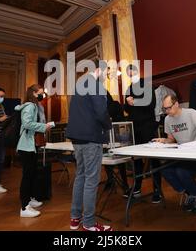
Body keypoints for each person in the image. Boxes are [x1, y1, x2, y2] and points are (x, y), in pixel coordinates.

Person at [153, 94, 196, 215]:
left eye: (169, 108)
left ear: (177, 104)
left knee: (181, 171)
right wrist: (163, 140)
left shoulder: (191, 113)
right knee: (165, 169)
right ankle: (191, 193)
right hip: (183, 156)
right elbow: (171, 139)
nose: (167, 111)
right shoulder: (168, 119)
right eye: (165, 109)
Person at [66, 59, 113, 231]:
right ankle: (89, 223)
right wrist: (109, 126)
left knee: (81, 176)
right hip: (91, 138)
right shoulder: (95, 84)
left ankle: (75, 218)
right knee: (92, 180)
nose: (107, 75)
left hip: (76, 138)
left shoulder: (79, 84)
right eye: (106, 72)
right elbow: (101, 112)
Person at [124, 64, 162, 203]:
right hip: (134, 126)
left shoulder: (146, 84)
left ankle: (157, 190)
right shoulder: (128, 88)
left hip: (147, 125)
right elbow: (127, 109)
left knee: (153, 158)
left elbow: (151, 104)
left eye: (131, 71)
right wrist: (128, 103)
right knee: (137, 159)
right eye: (128, 72)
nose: (130, 74)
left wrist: (135, 101)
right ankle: (137, 187)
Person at [15, 84, 53, 218]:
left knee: (32, 173)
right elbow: (26, 123)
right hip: (26, 145)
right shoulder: (30, 106)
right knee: (27, 175)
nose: (43, 95)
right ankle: (24, 207)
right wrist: (44, 126)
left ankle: (30, 199)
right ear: (33, 94)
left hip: (30, 145)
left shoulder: (35, 106)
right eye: (40, 93)